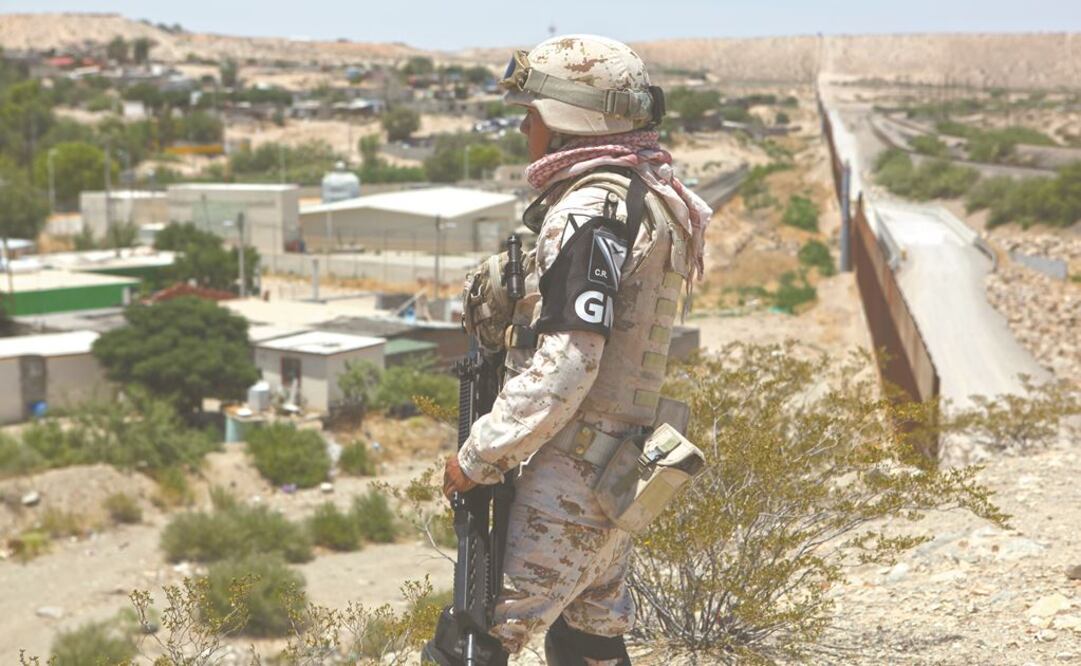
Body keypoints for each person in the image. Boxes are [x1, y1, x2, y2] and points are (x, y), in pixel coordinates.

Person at [442, 34, 712, 664]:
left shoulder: (592, 208)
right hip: (615, 466)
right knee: (587, 639)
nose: (522, 127)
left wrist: (482, 454)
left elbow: (570, 360)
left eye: (532, 112)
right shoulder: (648, 195)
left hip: (569, 474)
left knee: (474, 639)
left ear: (570, 120)